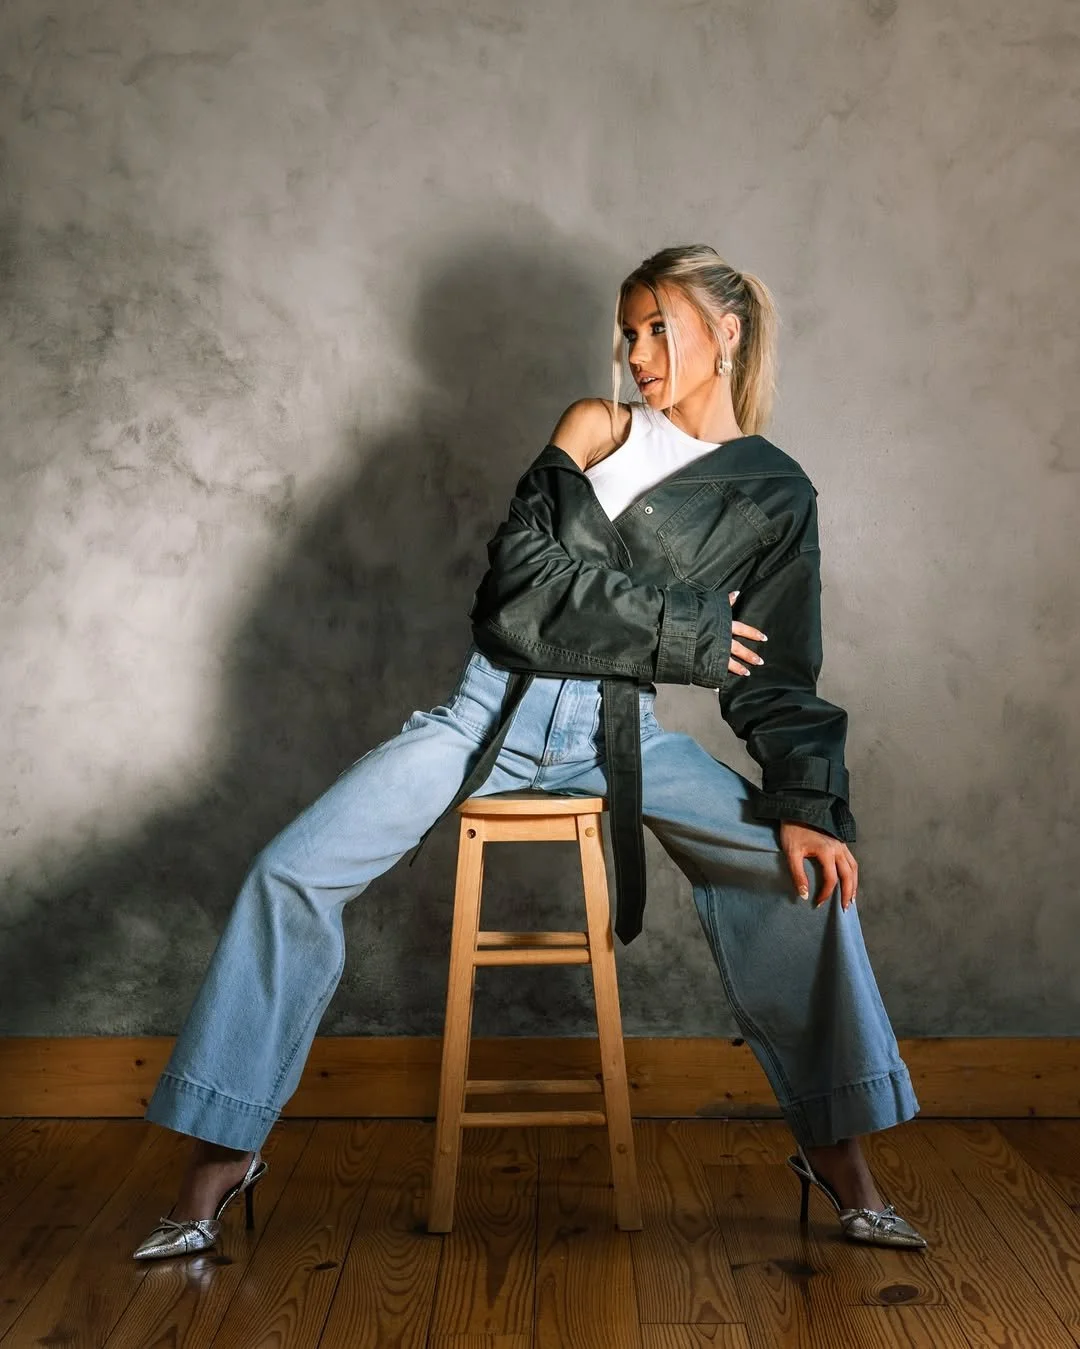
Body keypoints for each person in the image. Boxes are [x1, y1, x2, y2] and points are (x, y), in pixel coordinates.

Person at [134, 244, 927, 1259]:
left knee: (804, 873)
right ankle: (219, 1159)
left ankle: (840, 1157)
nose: (637, 353)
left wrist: (811, 802)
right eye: (627, 330)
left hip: (621, 735)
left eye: (659, 328)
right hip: (486, 719)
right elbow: (516, 588)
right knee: (289, 871)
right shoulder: (594, 426)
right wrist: (684, 627)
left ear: (726, 332)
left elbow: (776, 676)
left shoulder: (776, 496)